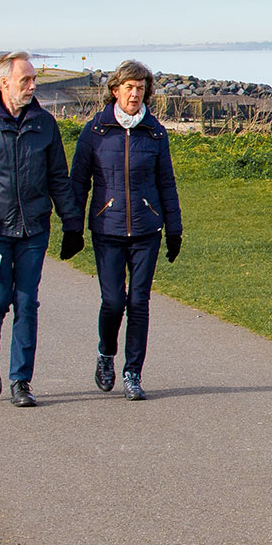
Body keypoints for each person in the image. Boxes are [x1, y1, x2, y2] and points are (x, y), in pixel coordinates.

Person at [0, 51, 84, 408]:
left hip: (34, 230)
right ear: (3, 82)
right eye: (25, 80)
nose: (32, 86)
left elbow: (58, 177)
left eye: (33, 80)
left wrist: (72, 223)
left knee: (27, 302)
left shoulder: (44, 124)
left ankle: (21, 381)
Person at [71, 60, 183, 401]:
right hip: (108, 228)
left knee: (138, 301)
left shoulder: (155, 132)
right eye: (129, 87)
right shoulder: (95, 132)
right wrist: (73, 227)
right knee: (113, 301)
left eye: (141, 88)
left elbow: (166, 182)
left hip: (147, 229)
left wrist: (174, 228)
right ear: (115, 90)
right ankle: (106, 353)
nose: (135, 94)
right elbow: (78, 182)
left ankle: (132, 373)